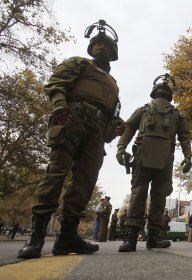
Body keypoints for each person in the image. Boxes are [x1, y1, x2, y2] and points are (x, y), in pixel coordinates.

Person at [17, 20, 124, 259]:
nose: (100, 47)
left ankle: (66, 237)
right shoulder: (78, 63)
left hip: (97, 130)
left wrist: (114, 127)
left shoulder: (114, 85)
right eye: (96, 43)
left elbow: (111, 116)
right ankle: (36, 238)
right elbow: (56, 85)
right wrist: (59, 106)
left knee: (85, 181)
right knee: (56, 172)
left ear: (113, 52)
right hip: (72, 117)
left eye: (105, 44)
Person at [116, 73, 192, 252]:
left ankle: (136, 238)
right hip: (149, 156)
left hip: (158, 157)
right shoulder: (147, 110)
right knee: (152, 195)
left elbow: (184, 136)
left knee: (144, 194)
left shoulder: (170, 113)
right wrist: (120, 147)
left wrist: (121, 148)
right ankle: (146, 236)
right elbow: (128, 129)